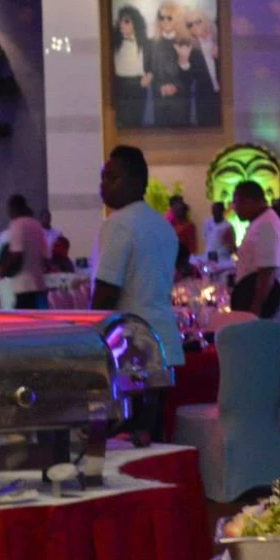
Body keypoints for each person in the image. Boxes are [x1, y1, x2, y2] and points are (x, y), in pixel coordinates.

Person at [90, 145, 183, 389]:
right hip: (166, 342)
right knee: (157, 425)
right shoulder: (163, 226)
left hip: (133, 347)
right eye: (103, 178)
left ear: (137, 182)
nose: (104, 185)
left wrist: (92, 339)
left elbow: (106, 292)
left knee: (130, 426)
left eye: (112, 178)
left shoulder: (119, 223)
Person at [230, 179, 280, 326]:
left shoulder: (267, 225)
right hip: (268, 307)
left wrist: (255, 311)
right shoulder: (261, 222)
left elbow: (267, 271)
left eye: (236, 202)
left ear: (249, 201)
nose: (234, 208)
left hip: (272, 310)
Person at [0, 194, 51, 310]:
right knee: (41, 323)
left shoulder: (17, 225)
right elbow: (46, 257)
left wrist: (3, 269)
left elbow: (16, 254)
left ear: (13, 208)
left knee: (23, 321)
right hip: (39, 283)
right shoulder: (37, 225)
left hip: (23, 285)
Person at [112, 3, 152, 127]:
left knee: (137, 124)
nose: (122, 25)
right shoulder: (114, 42)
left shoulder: (146, 43)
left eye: (126, 21)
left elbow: (152, 64)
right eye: (120, 21)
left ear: (135, 22)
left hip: (139, 88)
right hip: (120, 87)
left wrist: (151, 74)